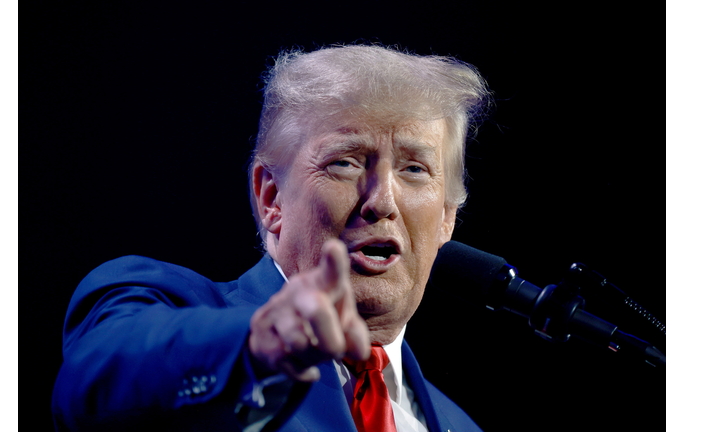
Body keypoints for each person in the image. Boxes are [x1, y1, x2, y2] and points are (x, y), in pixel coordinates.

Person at [51, 44, 491, 431]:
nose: (381, 200)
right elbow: (92, 384)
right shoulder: (175, 308)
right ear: (271, 197)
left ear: (447, 219)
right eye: (346, 162)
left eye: (414, 169)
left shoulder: (460, 425)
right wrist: (257, 349)